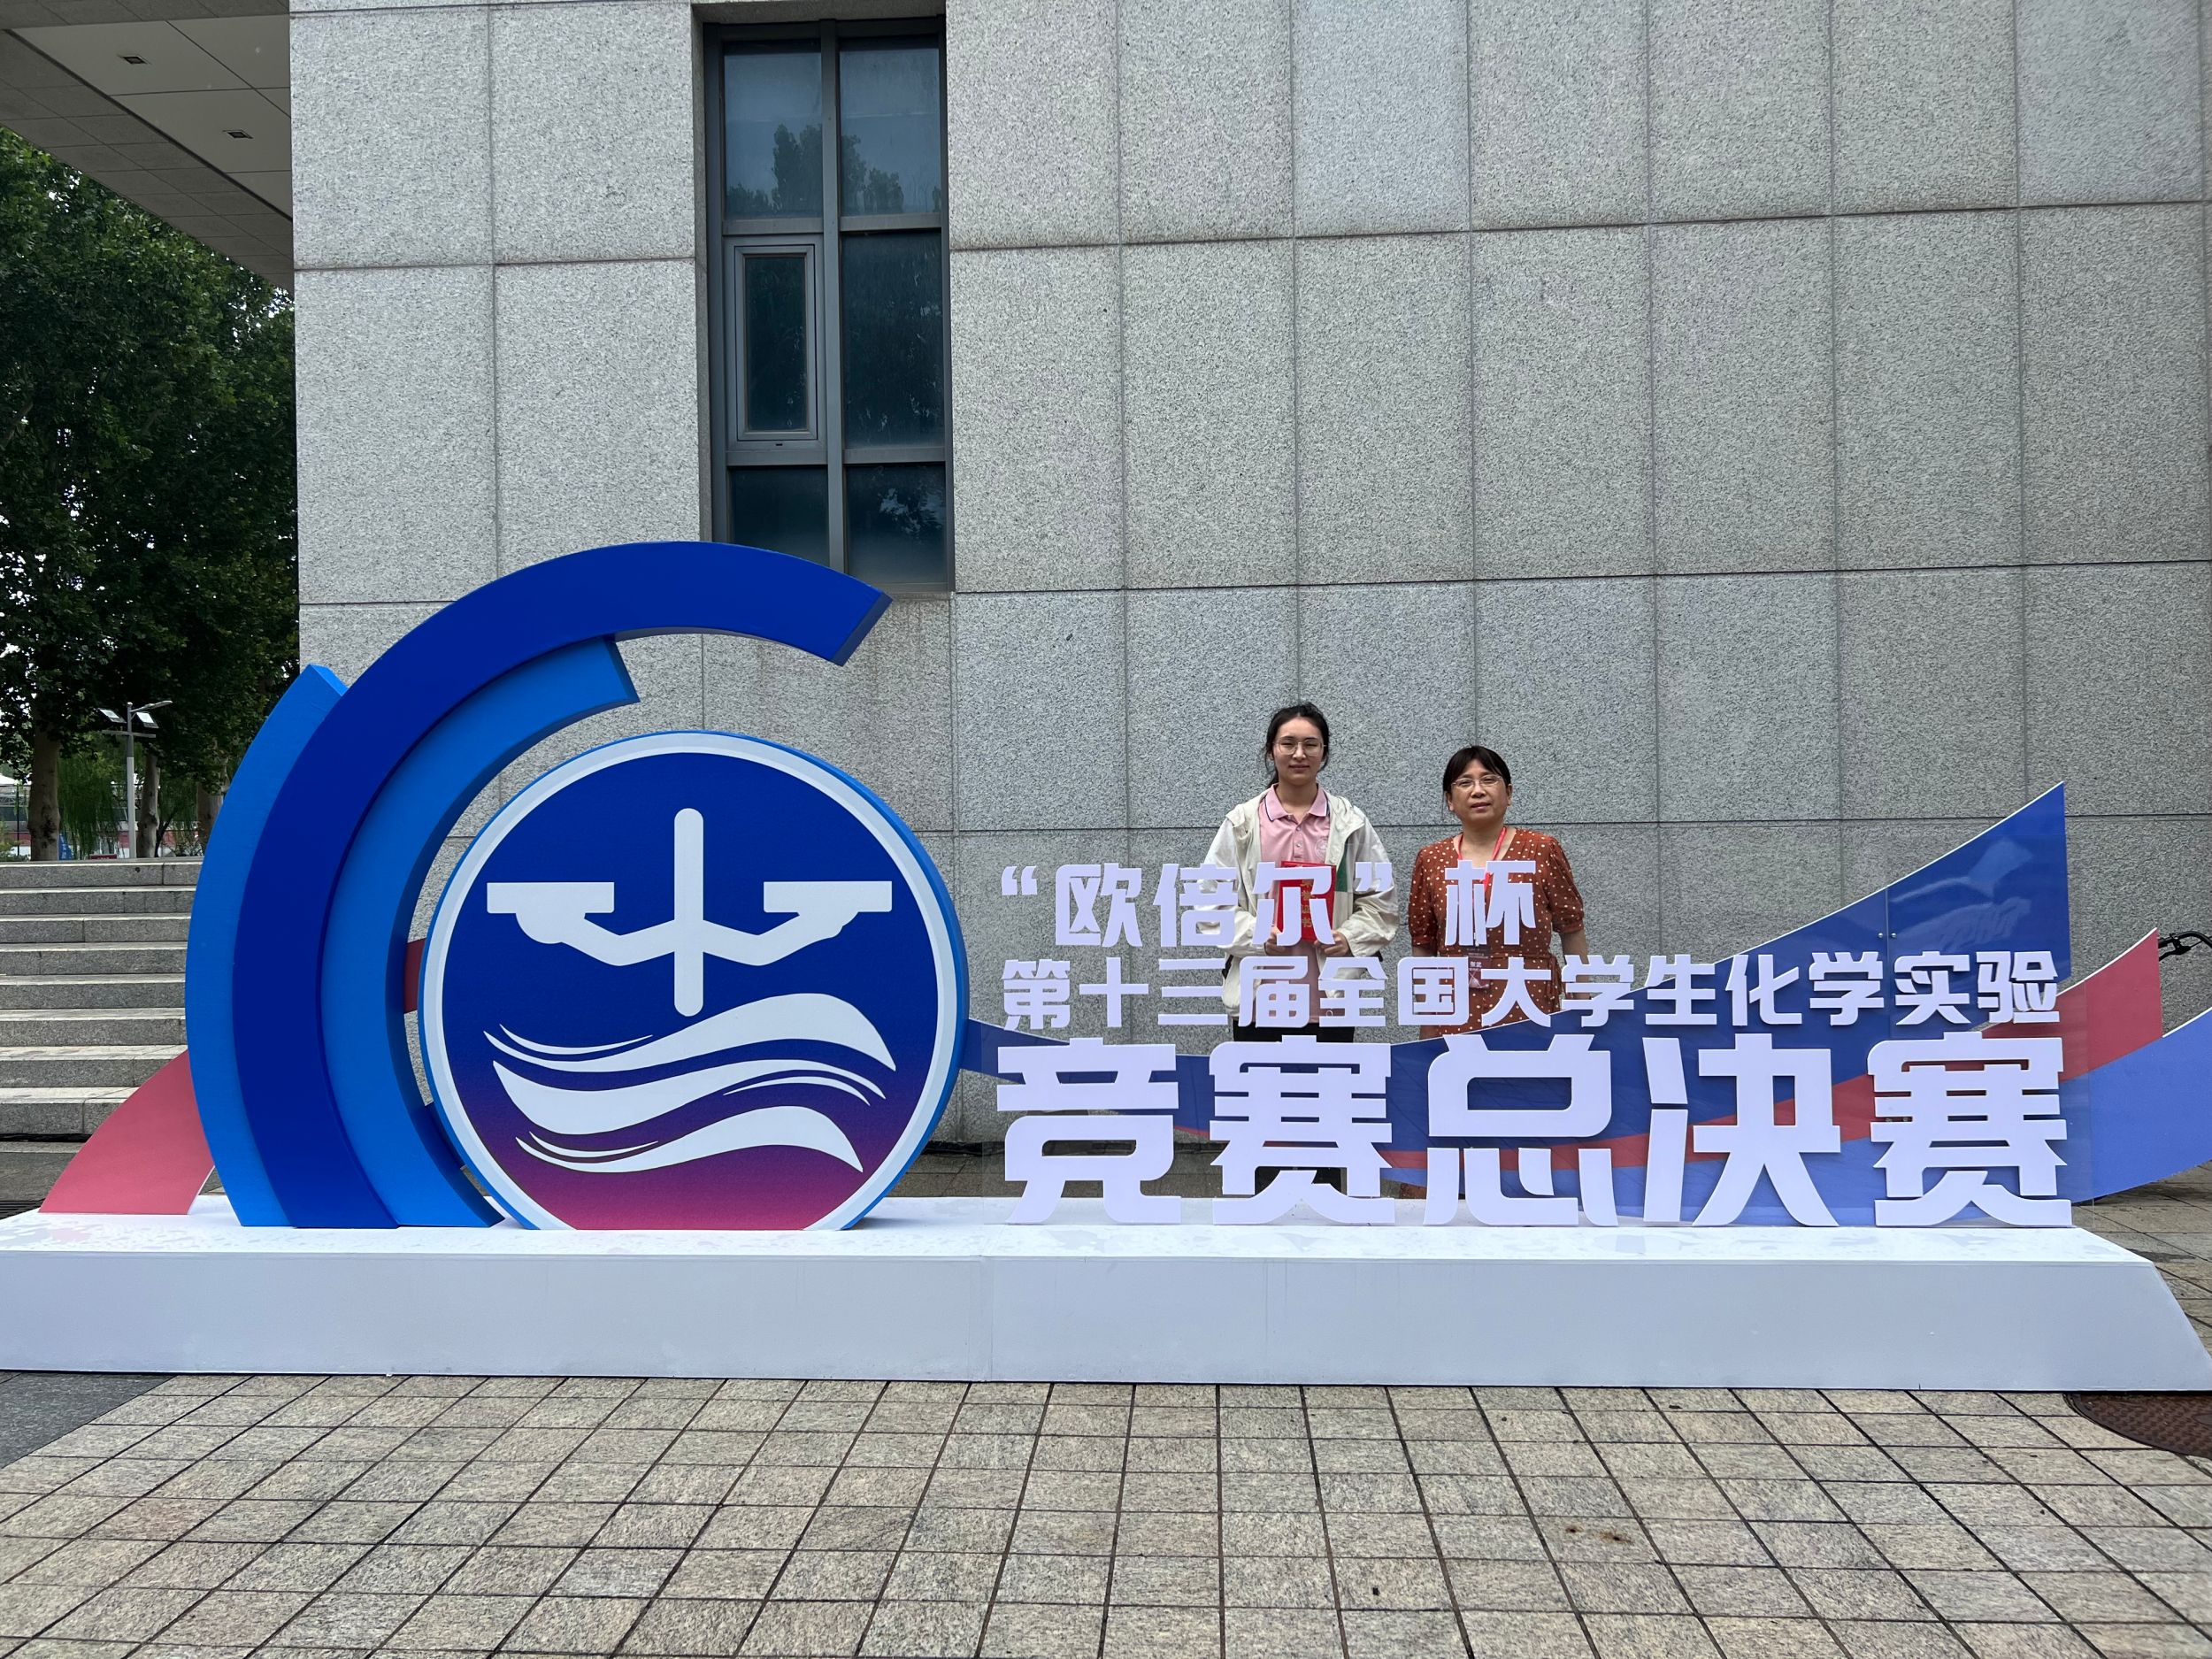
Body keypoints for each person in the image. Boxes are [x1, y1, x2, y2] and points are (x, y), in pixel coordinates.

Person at [1202, 703, 1398, 1039]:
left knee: (1333, 1075)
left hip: (1331, 1001)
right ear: (1271, 751)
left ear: (1324, 752)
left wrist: (1349, 937)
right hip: (1259, 1001)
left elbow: (1381, 903)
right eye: (1288, 743)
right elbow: (1210, 905)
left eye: (1310, 744)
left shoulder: (1350, 823)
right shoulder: (1243, 823)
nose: (1299, 754)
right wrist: (1258, 935)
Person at [1404, 745, 1588, 1038]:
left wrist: (1582, 1005)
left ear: (1509, 793)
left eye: (1489, 780)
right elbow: (1423, 942)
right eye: (1465, 783)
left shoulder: (1541, 850)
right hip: (1456, 1006)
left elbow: (1571, 927)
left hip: (1527, 997)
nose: (1478, 791)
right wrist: (1428, 1018)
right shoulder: (1432, 859)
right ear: (1450, 800)